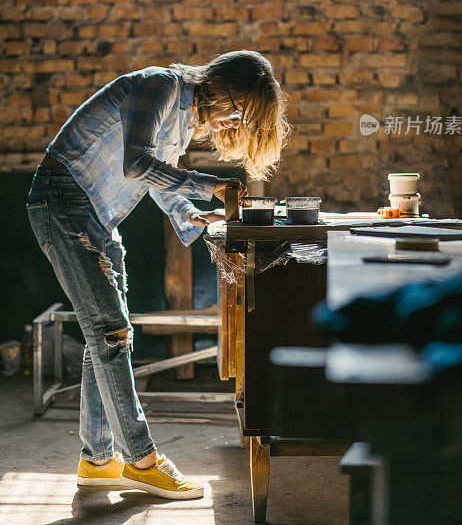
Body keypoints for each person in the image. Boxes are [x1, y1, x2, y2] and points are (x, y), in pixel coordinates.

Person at [26, 50, 288, 498]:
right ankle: (142, 460)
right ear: (222, 86)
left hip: (94, 217)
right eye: (238, 109)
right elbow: (137, 164)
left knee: (104, 338)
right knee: (110, 334)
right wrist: (210, 185)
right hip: (62, 204)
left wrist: (193, 213)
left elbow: (155, 180)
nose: (233, 121)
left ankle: (96, 459)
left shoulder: (183, 119)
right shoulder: (161, 87)